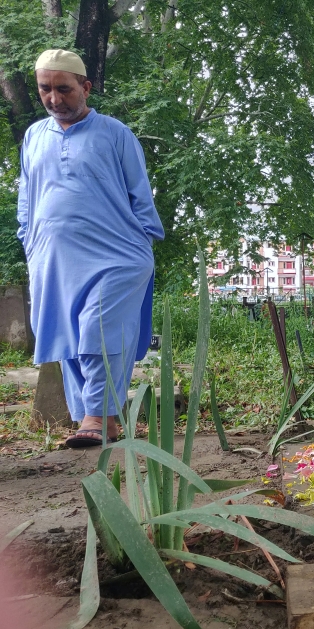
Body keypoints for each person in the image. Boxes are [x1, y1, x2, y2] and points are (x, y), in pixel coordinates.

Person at [17, 49, 163, 447]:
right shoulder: (33, 137)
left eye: (63, 89)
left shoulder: (115, 134)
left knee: (99, 332)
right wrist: (30, 241)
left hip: (117, 256)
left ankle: (96, 417)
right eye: (45, 89)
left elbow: (140, 196)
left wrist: (140, 242)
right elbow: (26, 199)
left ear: (85, 87)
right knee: (68, 338)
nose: (53, 98)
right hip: (53, 259)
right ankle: (102, 421)